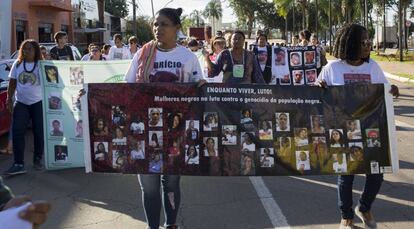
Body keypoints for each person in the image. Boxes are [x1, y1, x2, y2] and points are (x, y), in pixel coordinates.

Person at [124, 8, 203, 228]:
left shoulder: (188, 58)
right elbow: (126, 89)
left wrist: (203, 88)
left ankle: (171, 224)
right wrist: (91, 95)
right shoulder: (143, 54)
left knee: (171, 183)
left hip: (176, 134)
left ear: (177, 28)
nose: (158, 28)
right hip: (146, 131)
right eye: (155, 24)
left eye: (164, 24)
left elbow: (198, 93)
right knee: (148, 186)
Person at [317, 23, 399, 229]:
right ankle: (346, 216)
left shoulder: (372, 67)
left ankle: (364, 207)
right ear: (352, 43)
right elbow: (315, 95)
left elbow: (384, 92)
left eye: (369, 41)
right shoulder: (332, 68)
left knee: (376, 175)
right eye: (364, 42)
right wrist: (318, 86)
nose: (368, 45)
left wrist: (392, 91)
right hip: (343, 133)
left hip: (371, 132)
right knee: (346, 177)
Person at [4, 39, 44, 175]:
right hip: (21, 103)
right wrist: (9, 99)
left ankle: (37, 158)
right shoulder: (18, 63)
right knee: (17, 132)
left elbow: (54, 82)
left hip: (38, 103)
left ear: (36, 51)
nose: (26, 51)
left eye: (29, 49)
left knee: (38, 132)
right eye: (24, 49)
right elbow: (12, 83)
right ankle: (18, 163)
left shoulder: (41, 65)